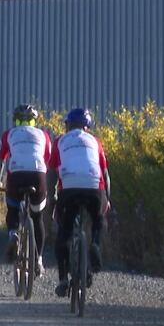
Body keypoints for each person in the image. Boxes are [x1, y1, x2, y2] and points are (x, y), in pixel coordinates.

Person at [48, 108, 111, 297]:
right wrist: (107, 199)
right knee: (99, 219)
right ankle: (96, 245)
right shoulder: (95, 141)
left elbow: (52, 173)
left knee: (64, 231)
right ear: (87, 127)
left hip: (69, 189)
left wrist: (52, 199)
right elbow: (105, 175)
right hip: (94, 187)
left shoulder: (60, 141)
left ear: (68, 125)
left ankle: (62, 280)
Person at [0, 104, 51, 275]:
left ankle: (12, 234)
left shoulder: (9, 134)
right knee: (37, 217)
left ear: (16, 121)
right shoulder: (44, 135)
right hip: (38, 175)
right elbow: (47, 160)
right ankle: (38, 260)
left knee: (12, 207)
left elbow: (0, 162)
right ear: (34, 122)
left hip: (16, 175)